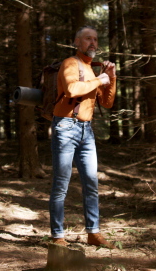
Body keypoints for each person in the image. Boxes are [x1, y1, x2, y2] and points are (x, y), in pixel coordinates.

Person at [49, 26, 117, 248]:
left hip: (86, 131)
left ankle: (93, 233)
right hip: (66, 127)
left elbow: (106, 103)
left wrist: (111, 79)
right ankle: (58, 236)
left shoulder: (91, 69)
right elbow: (71, 90)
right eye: (88, 39)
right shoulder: (71, 63)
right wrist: (100, 80)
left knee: (91, 183)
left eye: (96, 39)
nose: (93, 43)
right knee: (61, 184)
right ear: (77, 42)